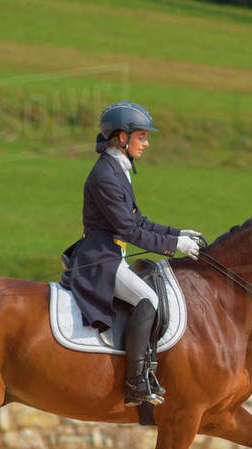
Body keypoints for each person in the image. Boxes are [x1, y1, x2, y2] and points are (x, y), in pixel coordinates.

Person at [65, 101, 201, 406]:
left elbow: (139, 220)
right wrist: (173, 247)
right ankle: (136, 381)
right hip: (101, 258)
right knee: (147, 299)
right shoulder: (106, 175)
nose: (147, 143)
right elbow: (128, 230)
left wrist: (176, 234)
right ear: (121, 137)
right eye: (141, 136)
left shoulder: (118, 170)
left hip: (113, 254)